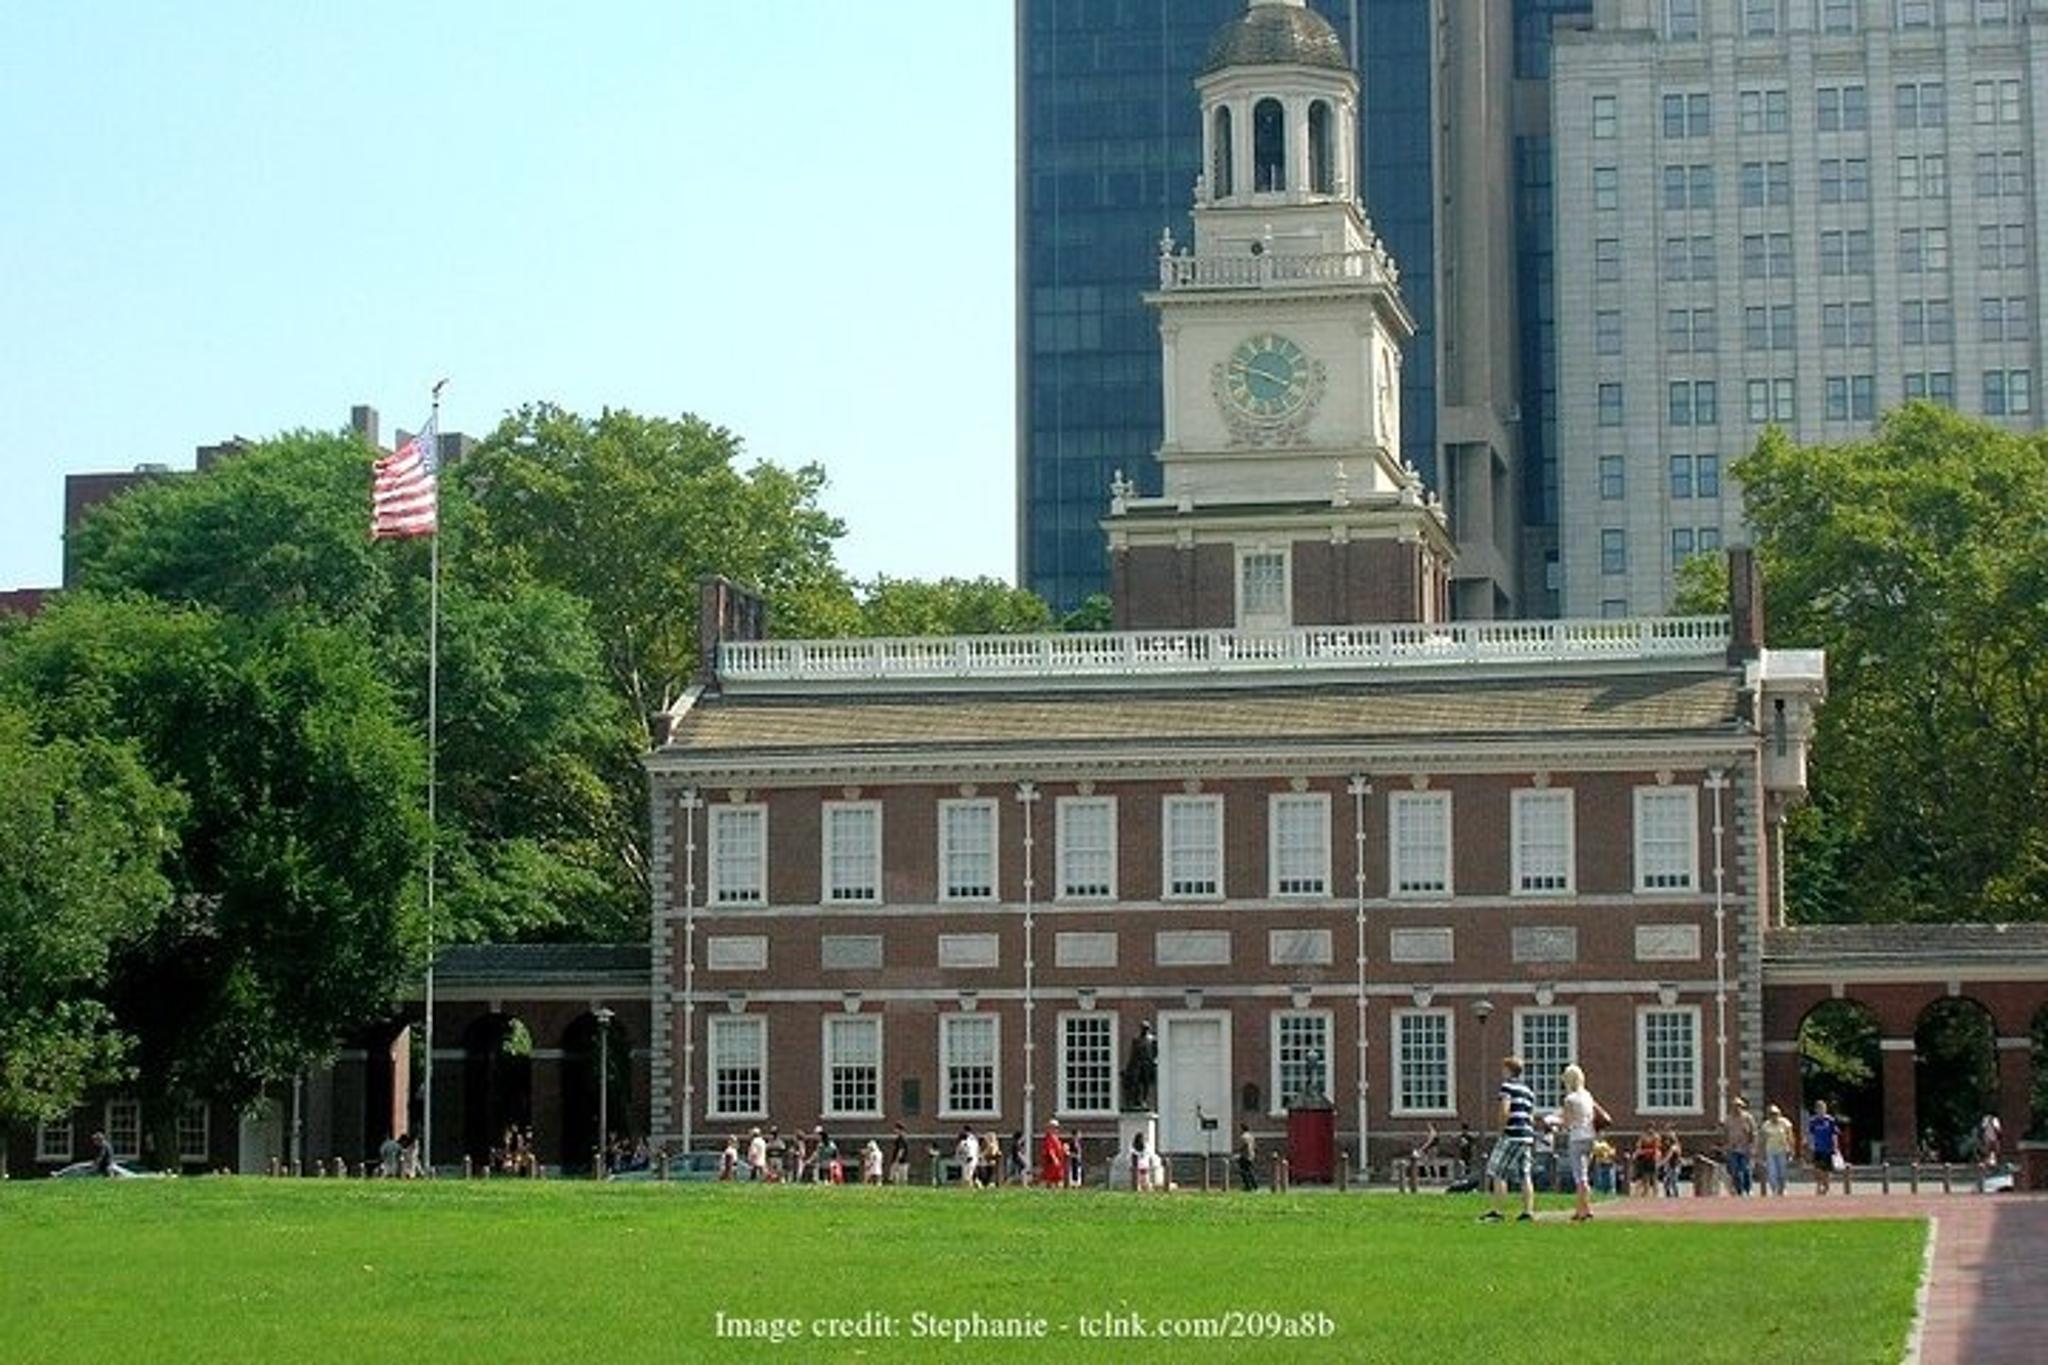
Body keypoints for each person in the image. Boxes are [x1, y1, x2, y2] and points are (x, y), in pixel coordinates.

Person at [1481, 1055, 1538, 1223]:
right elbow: (1531, 1116)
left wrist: (1501, 1130)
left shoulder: (1507, 1087)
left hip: (1511, 1135)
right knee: (1525, 1174)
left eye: (1503, 1069)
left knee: (1498, 1171)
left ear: (1508, 1070)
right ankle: (1528, 1212)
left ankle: (1498, 1212)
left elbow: (1505, 1110)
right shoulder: (1528, 1091)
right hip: (1526, 1136)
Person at [1557, 1064, 1609, 1223]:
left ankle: (1584, 1211)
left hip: (1577, 1138)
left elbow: (1566, 1122)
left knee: (1580, 1177)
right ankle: (1582, 1209)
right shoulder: (1588, 1095)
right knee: (1585, 1174)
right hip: (1590, 1138)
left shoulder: (1570, 1099)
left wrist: (1554, 1122)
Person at [1759, 1103, 1795, 1197]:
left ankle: (1782, 1188)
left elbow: (1790, 1137)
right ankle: (1774, 1189)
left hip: (1782, 1150)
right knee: (1772, 1172)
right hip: (1770, 1151)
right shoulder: (1766, 1125)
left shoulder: (1785, 1123)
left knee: (1782, 1171)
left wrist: (1791, 1149)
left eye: (1775, 1114)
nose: (1773, 1116)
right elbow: (1762, 1140)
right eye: (1771, 1114)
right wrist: (1761, 1153)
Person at [1808, 1100, 1842, 1195]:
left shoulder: (1830, 1120)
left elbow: (1834, 1134)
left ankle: (1826, 1187)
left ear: (1825, 1109)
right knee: (1817, 1169)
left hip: (1828, 1147)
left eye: (1822, 1108)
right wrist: (1810, 1146)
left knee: (1826, 1170)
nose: (1821, 1110)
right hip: (1817, 1148)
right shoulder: (1813, 1121)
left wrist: (1836, 1146)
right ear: (1816, 1110)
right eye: (1819, 1108)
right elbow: (1811, 1134)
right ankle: (1819, 1186)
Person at [1725, 1097, 1758, 1196]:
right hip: (1733, 1148)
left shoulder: (1748, 1118)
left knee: (1745, 1169)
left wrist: (1753, 1147)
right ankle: (1739, 1190)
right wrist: (1726, 1146)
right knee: (1735, 1170)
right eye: (1734, 1106)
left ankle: (1748, 1189)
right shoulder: (1728, 1119)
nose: (1736, 1108)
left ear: (1742, 1107)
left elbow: (1754, 1133)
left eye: (1738, 1106)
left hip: (1745, 1148)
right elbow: (1725, 1133)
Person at [1039, 1119, 1067, 1188]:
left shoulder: (1056, 1137)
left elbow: (1059, 1148)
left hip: (1059, 1162)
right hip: (1051, 1163)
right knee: (1050, 1179)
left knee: (1058, 1178)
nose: (1056, 1129)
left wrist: (1065, 1150)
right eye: (1054, 1127)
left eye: (1057, 1127)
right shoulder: (1049, 1138)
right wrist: (1054, 1159)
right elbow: (1050, 1149)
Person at [1631, 1130, 1659, 1198]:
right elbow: (1638, 1148)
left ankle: (1655, 1194)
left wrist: (1643, 1152)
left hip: (1652, 1160)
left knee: (1653, 1177)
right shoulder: (1642, 1139)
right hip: (1644, 1161)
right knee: (1646, 1177)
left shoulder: (1655, 1139)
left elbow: (1655, 1150)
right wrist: (1638, 1152)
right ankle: (1647, 1193)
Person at [1236, 1123, 1258, 1192]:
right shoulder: (1251, 1136)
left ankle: (1248, 1186)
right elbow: (1254, 1146)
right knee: (1250, 1171)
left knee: (1244, 1172)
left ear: (1242, 1129)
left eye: (1240, 1129)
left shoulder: (1243, 1136)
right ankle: (1254, 1185)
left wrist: (1239, 1150)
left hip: (1245, 1156)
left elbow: (1244, 1145)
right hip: (1251, 1155)